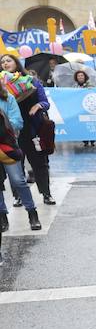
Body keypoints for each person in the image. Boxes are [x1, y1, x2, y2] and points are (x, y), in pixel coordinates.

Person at [0, 81, 39, 232]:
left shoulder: (7, 98)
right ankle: (2, 216)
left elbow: (18, 122)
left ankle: (32, 213)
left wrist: (3, 123)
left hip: (7, 146)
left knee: (18, 181)